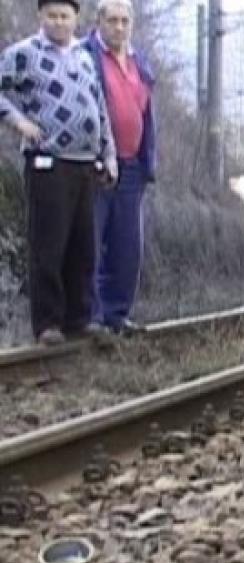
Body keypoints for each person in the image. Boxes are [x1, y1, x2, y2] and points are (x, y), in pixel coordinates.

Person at [0, 0, 118, 346]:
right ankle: (48, 323)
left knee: (83, 246)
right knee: (48, 244)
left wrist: (109, 155)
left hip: (84, 162)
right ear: (41, 17)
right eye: (51, 15)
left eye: (64, 16)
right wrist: (18, 122)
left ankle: (78, 319)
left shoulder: (84, 57)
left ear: (76, 19)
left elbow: (100, 109)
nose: (58, 22)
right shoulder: (24, 53)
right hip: (47, 160)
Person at [83, 0, 156, 335]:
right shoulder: (85, 55)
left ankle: (117, 314)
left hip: (132, 165)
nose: (119, 27)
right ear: (99, 21)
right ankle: (92, 316)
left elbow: (145, 113)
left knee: (128, 246)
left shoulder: (139, 62)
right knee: (92, 240)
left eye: (124, 21)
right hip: (96, 163)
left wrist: (146, 162)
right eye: (112, 20)